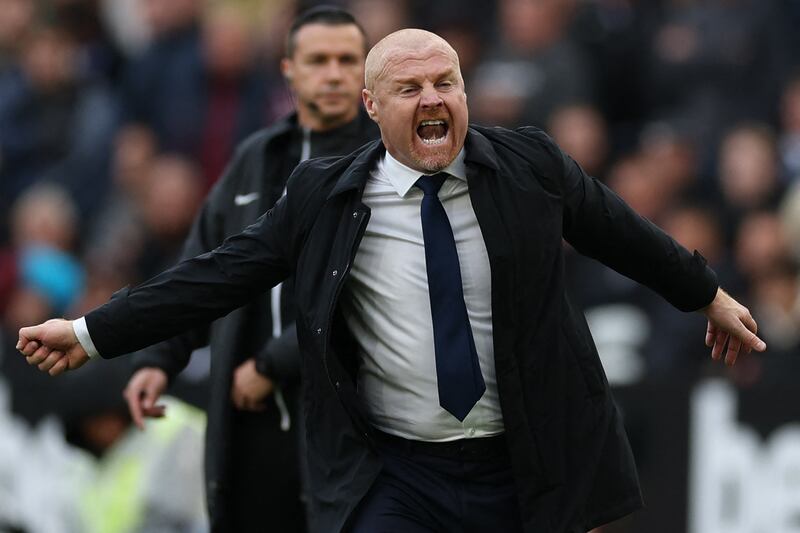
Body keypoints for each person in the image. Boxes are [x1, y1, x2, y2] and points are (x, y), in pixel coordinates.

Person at [17, 29, 766, 533]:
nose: (434, 99)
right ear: (372, 108)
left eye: (447, 82)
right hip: (399, 474)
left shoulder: (531, 167)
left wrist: (710, 294)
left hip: (525, 464)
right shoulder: (323, 196)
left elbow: (622, 233)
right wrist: (91, 333)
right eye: (410, 89)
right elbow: (218, 275)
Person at [119, 6, 377, 533]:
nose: (333, 73)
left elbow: (363, 291)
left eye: (347, 60)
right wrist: (161, 357)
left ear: (366, 73)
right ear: (288, 70)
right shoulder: (256, 158)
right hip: (250, 421)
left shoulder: (385, 163)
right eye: (318, 60)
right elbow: (203, 263)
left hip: (350, 418)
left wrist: (271, 364)